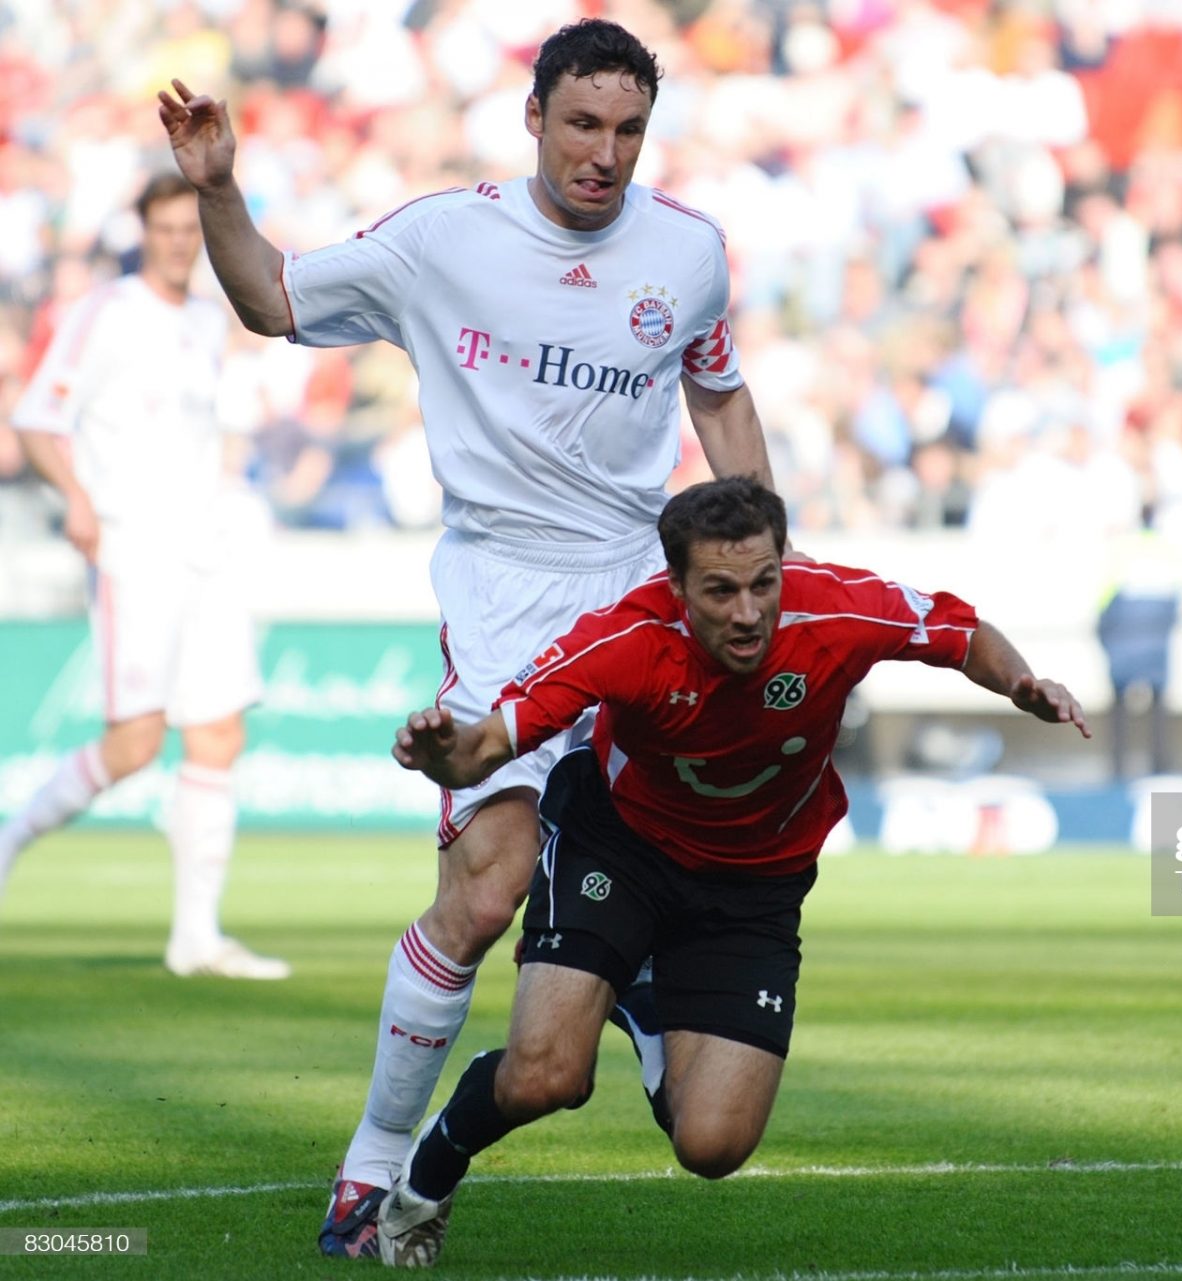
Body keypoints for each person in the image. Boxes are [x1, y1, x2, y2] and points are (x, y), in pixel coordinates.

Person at [157, 19, 785, 1255]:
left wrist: (767, 567)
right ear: (534, 118)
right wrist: (221, 190)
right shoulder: (445, 239)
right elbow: (271, 299)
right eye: (582, 124)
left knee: (674, 854)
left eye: (628, 131)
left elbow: (718, 393)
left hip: (641, 596)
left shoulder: (689, 252)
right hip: (504, 595)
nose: (604, 154)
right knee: (487, 888)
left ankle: (634, 981)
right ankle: (371, 1166)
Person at [373, 478, 1089, 1266]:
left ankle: (643, 1001)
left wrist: (1021, 683)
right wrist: (439, 752)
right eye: (720, 590)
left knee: (712, 1145)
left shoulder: (837, 607)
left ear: (783, 564)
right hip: (622, 848)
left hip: (755, 884)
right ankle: (423, 1180)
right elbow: (483, 745)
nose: (748, 612)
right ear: (676, 587)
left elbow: (961, 631)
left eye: (763, 584)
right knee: (546, 1077)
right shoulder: (625, 637)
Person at [0, 174, 285, 981]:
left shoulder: (208, 319)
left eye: (189, 228)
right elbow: (36, 418)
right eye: (165, 228)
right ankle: (10, 838)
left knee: (219, 731)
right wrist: (77, 498)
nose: (179, 241)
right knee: (134, 743)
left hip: (205, 547)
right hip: (134, 546)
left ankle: (197, 935)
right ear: (143, 232)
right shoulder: (107, 312)